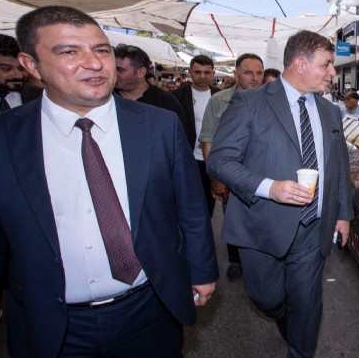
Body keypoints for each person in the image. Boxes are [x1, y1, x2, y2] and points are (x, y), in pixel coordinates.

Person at [0, 6, 218, 358]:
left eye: (101, 50)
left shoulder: (158, 125)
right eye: (69, 52)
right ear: (30, 64)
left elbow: (191, 206)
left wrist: (200, 270)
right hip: (52, 321)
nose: (93, 64)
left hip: (148, 307)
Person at [208, 30, 352, 358]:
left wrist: (343, 213)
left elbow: (340, 167)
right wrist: (268, 187)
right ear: (300, 64)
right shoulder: (250, 103)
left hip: (312, 227)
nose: (332, 72)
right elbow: (220, 161)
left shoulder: (330, 111)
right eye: (327, 64)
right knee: (265, 297)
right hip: (262, 226)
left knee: (308, 301)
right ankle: (281, 315)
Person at [199, 53, 264, 282]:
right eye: (248, 72)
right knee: (233, 219)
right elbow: (208, 140)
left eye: (259, 73)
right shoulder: (219, 101)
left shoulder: (271, 101)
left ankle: (259, 264)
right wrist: (214, 178)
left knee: (260, 221)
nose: (254, 78)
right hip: (231, 175)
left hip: (262, 175)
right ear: (236, 74)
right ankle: (235, 260)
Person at [172, 55, 219, 216]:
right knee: (184, 203)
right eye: (198, 72)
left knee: (208, 204)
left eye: (207, 72)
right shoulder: (177, 97)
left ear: (213, 73)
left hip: (210, 159)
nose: (202, 76)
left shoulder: (221, 97)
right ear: (190, 72)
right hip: (187, 158)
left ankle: (205, 237)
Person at [113, 44, 185, 121]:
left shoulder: (166, 103)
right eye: (112, 68)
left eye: (119, 70)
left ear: (141, 72)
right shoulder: (105, 98)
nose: (113, 73)